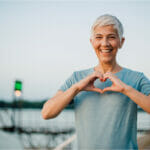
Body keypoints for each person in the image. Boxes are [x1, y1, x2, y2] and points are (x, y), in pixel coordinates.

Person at [41, 14, 150, 149]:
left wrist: (125, 89)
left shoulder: (137, 78)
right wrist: (76, 88)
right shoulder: (77, 78)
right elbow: (46, 113)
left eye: (111, 37)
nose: (105, 43)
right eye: (99, 37)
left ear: (121, 42)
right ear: (92, 42)